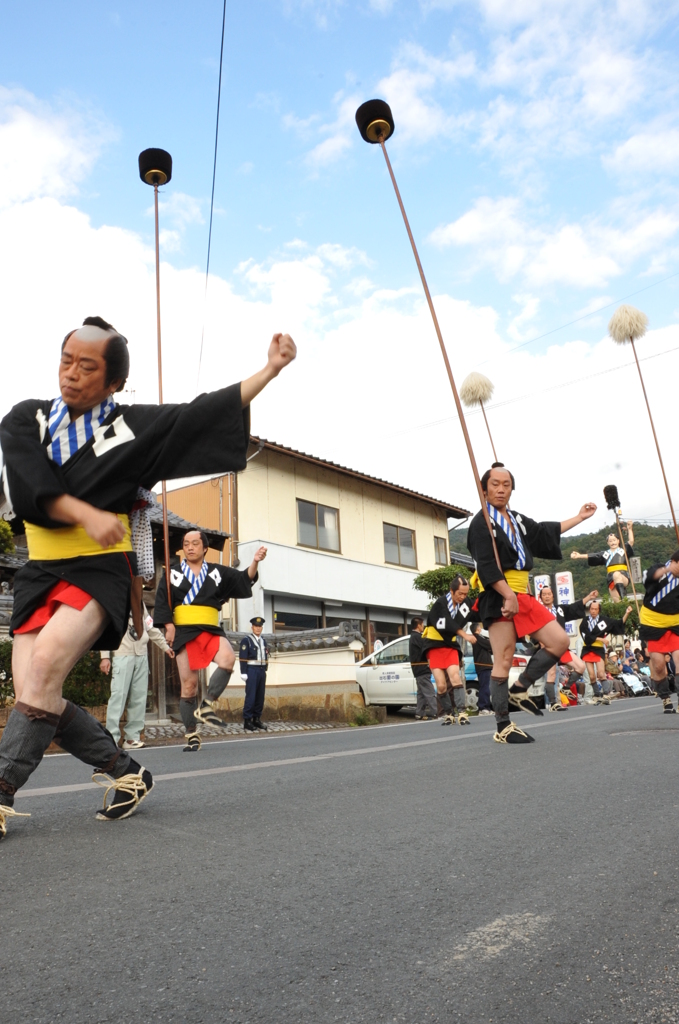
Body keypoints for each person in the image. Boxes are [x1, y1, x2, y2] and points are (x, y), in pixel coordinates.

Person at [0, 316, 296, 838]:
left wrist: (267, 371)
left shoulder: (133, 427)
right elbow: (27, 487)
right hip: (39, 568)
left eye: (86, 367)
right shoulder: (27, 417)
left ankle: (0, 789)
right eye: (66, 361)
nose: (71, 375)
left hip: (98, 566)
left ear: (114, 382)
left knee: (44, 668)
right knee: (34, 692)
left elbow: (198, 415)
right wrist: (79, 510)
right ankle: (126, 773)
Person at [467, 462, 597, 744]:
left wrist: (579, 518)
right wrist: (508, 595)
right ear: (484, 489)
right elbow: (486, 565)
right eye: (495, 485)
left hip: (521, 594)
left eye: (506, 485)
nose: (501, 490)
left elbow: (543, 533)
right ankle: (503, 726)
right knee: (502, 658)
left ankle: (520, 687)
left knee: (559, 641)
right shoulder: (481, 524)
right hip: (498, 593)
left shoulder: (516, 520)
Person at [154, 530, 267, 751]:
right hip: (184, 630)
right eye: (186, 543)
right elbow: (161, 601)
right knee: (189, 686)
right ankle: (191, 734)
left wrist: (254, 562)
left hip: (210, 628)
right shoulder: (172, 573)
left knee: (227, 659)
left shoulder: (216, 572)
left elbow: (244, 579)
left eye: (195, 543)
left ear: (205, 547)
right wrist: (168, 625)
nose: (190, 547)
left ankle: (206, 705)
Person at [100, 604, 174, 748]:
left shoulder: (140, 604)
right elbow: (105, 628)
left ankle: (131, 737)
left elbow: (150, 627)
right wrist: (105, 657)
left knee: (139, 698)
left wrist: (165, 646)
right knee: (118, 697)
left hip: (141, 654)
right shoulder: (115, 599)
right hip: (122, 653)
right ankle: (111, 739)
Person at [421, 575, 478, 726]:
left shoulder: (465, 603)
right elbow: (446, 622)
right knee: (440, 685)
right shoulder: (440, 603)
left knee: (455, 677)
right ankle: (448, 713)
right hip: (434, 645)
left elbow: (477, 608)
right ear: (452, 591)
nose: (463, 597)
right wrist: (465, 635)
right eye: (460, 593)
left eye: (466, 594)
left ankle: (462, 711)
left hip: (450, 646)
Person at [536, 585, 594, 711]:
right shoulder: (538, 611)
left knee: (580, 666)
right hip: (549, 647)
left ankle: (566, 688)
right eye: (544, 594)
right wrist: (541, 641)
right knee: (551, 674)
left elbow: (573, 608)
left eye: (548, 594)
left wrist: (589, 597)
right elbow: (534, 628)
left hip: (561, 646)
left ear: (553, 596)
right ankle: (553, 703)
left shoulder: (560, 610)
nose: (546, 596)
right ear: (540, 597)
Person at [640, 550, 679, 714]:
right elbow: (648, 577)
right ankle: (665, 698)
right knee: (658, 664)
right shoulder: (660, 569)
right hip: (653, 622)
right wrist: (667, 570)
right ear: (673, 561)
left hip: (675, 622)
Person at [578, 599, 632, 703]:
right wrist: (601, 639)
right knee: (592, 676)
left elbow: (618, 623)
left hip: (598, 649)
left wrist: (627, 613)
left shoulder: (604, 621)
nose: (593, 611)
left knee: (601, 673)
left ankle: (606, 694)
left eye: (596, 609)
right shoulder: (585, 621)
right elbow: (586, 636)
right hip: (587, 648)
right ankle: (597, 695)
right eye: (592, 609)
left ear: (599, 610)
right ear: (589, 609)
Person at [570, 522, 635, 602]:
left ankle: (624, 598)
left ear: (618, 541)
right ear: (607, 543)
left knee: (616, 575)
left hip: (623, 575)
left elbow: (631, 541)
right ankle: (622, 607)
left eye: (614, 540)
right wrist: (579, 555)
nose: (612, 542)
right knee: (617, 602)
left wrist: (630, 529)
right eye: (610, 541)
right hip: (611, 578)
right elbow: (593, 555)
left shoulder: (623, 550)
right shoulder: (605, 554)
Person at [239, 616, 270, 732]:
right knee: (251, 696)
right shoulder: (246, 640)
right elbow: (242, 657)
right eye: (256, 626)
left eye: (260, 626)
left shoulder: (263, 641)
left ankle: (256, 719)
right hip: (251, 670)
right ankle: (247, 721)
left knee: (260, 696)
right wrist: (243, 672)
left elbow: (266, 655)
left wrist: (265, 668)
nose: (258, 628)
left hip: (261, 670)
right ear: (252, 627)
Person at [409, 617, 438, 720]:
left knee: (421, 693)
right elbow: (426, 647)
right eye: (422, 625)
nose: (423, 627)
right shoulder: (417, 637)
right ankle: (436, 712)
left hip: (417, 670)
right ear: (418, 625)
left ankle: (419, 713)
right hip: (422, 669)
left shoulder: (413, 637)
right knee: (430, 692)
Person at [470, 621, 494, 715]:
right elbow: (489, 645)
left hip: (484, 665)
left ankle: (486, 707)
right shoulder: (477, 637)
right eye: (480, 627)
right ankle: (483, 707)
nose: (481, 628)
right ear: (477, 629)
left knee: (485, 686)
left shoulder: (478, 638)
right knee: (484, 686)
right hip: (483, 665)